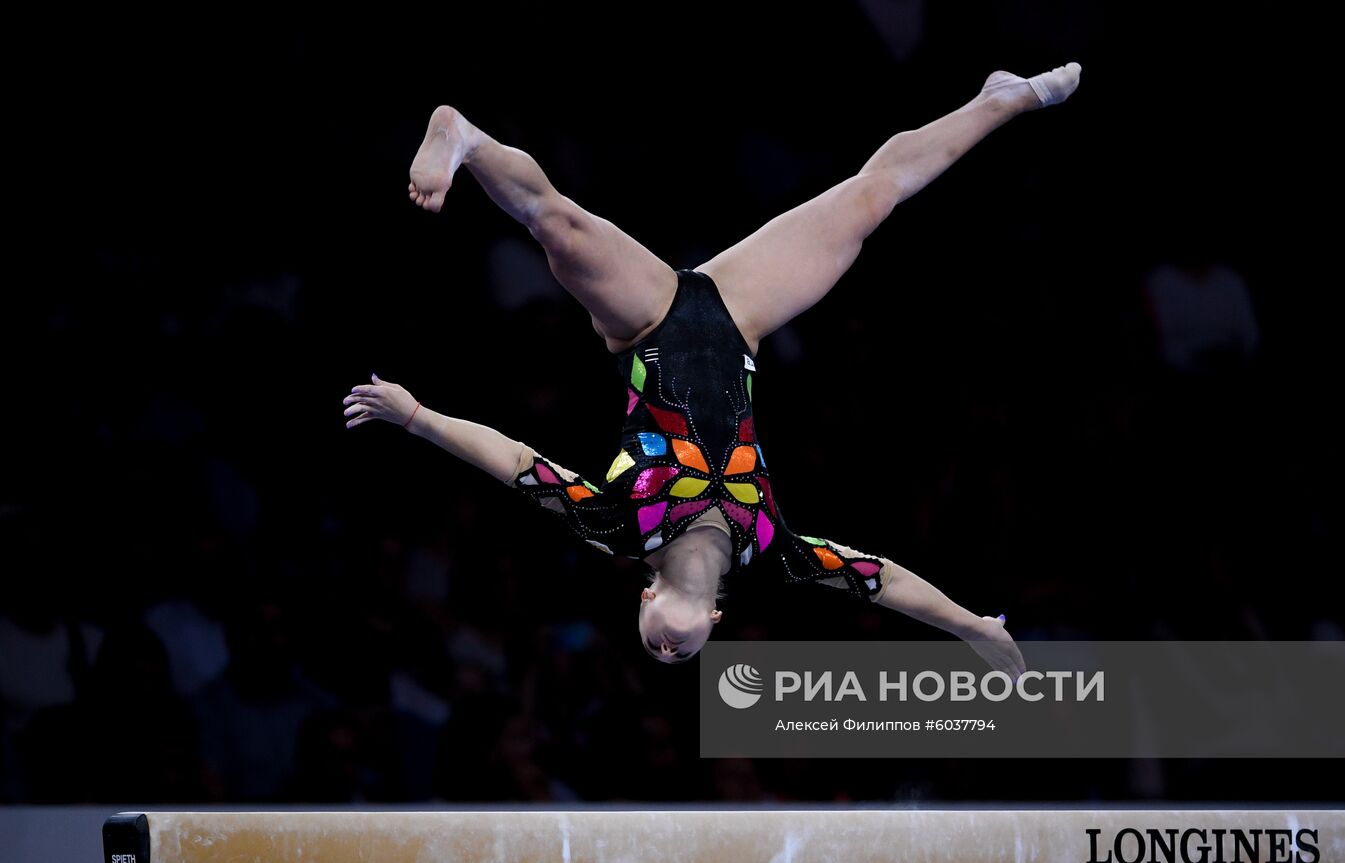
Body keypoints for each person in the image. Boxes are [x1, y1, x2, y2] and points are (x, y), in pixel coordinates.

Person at [343, 63, 1083, 673]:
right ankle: (999, 100)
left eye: (654, 643)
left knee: (556, 224)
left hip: (649, 322)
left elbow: (514, 461)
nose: (667, 650)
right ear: (716, 619)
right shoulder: (772, 544)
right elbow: (880, 578)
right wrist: (969, 627)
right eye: (680, 653)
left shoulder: (619, 524)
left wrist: (416, 417)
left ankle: (464, 137)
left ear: (642, 599)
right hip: (739, 320)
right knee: (869, 199)